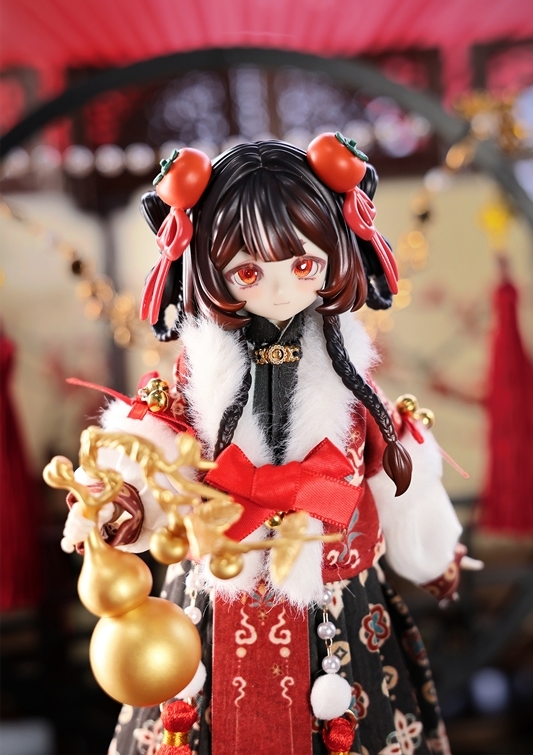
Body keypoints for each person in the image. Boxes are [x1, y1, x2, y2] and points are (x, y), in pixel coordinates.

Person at [63, 137, 466, 755]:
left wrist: (432, 551)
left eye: (303, 267)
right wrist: (116, 500)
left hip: (333, 599)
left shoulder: (351, 382)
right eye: (248, 272)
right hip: (217, 592)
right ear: (206, 266)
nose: (279, 292)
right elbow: (152, 450)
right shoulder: (196, 378)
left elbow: (395, 472)